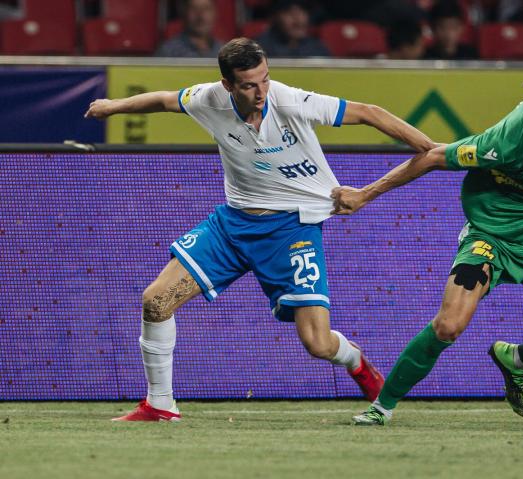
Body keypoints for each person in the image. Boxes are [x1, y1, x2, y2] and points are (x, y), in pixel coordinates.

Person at [85, 37, 435, 421]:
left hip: (292, 229)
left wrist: (432, 149)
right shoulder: (208, 99)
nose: (261, 91)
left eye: (265, 79)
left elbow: (369, 112)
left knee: (318, 343)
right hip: (232, 227)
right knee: (156, 301)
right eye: (249, 84)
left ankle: (356, 363)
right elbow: (166, 100)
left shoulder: (291, 101)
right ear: (227, 85)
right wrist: (113, 106)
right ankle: (160, 404)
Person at [332, 59, 523, 425]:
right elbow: (433, 156)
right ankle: (382, 407)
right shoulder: (501, 142)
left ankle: (517, 357)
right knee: (448, 325)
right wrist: (365, 193)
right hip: (491, 239)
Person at [255, 0, 330, 58]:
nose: (298, 20)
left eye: (302, 12)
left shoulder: (317, 48)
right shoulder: (259, 49)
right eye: (289, 13)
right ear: (274, 17)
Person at [156, 0, 224, 58]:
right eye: (194, 8)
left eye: (206, 8)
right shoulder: (168, 52)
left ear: (215, 13)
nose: (201, 16)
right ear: (183, 12)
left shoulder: (224, 51)